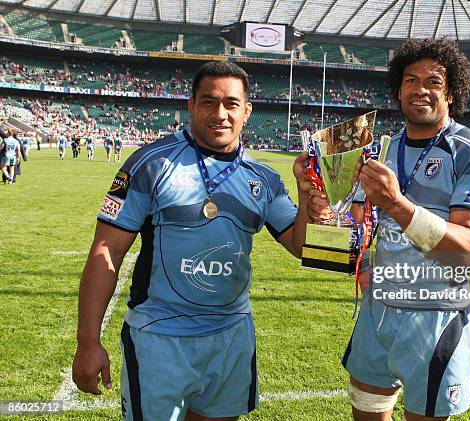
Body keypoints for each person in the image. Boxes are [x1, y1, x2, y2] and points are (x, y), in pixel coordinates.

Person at [71, 61, 316, 421]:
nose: (220, 113)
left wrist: (308, 196)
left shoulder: (263, 178)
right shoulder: (149, 165)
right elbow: (106, 250)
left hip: (231, 336)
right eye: (208, 101)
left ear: (247, 111)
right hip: (159, 337)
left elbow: (301, 244)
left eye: (231, 104)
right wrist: (87, 342)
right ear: (190, 105)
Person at [320, 38, 470, 421]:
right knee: (367, 413)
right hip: (377, 312)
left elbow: (469, 254)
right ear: (399, 89)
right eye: (410, 80)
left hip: (434, 317)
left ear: (451, 91)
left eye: (434, 81)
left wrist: (398, 204)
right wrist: (321, 206)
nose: (421, 89)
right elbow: (358, 226)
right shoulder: (378, 149)